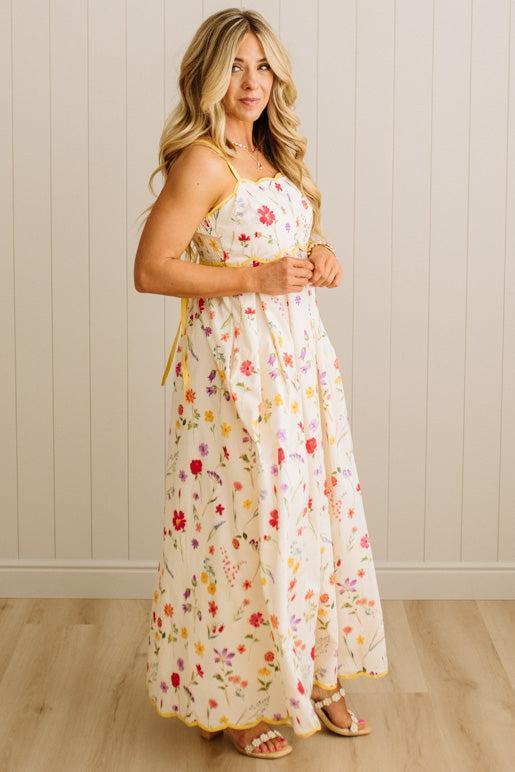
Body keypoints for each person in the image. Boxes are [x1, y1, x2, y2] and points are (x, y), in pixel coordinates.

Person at [134, 7, 388, 760]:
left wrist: (320, 251)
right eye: (237, 67)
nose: (251, 81)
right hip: (233, 373)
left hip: (299, 365)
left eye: (263, 66)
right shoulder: (203, 160)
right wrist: (257, 276)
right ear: (210, 75)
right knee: (242, 525)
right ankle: (233, 696)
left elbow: (283, 238)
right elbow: (152, 269)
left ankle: (317, 673)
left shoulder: (276, 156)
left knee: (311, 515)